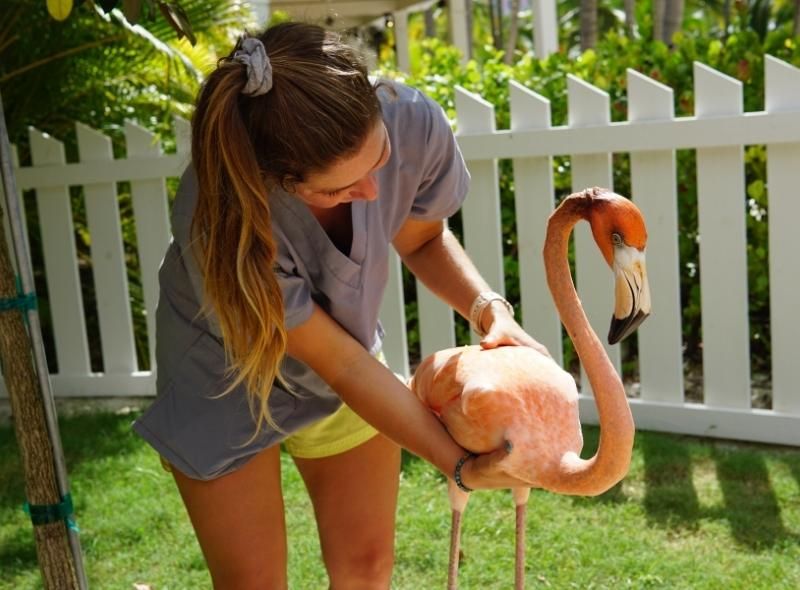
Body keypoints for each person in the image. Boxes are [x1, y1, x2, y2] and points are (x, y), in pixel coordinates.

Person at [133, 21, 549, 589]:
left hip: (345, 364)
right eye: (337, 190)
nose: (372, 195)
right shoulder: (220, 223)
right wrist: (458, 464)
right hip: (224, 375)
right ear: (276, 180)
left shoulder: (411, 123)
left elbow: (422, 238)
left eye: (377, 159)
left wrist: (487, 307)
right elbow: (345, 366)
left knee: (367, 568)